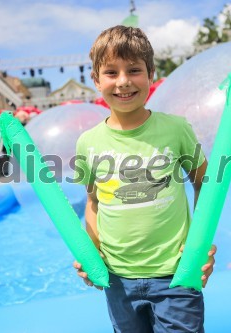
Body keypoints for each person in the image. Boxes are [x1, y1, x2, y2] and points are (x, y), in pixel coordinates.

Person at [72, 25, 216, 333]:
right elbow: (93, 201)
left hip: (176, 274)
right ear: (96, 80)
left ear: (150, 74)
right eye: (111, 72)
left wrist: (200, 243)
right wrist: (92, 254)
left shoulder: (176, 129)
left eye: (134, 70)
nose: (123, 82)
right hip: (117, 280)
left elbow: (204, 182)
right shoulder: (88, 142)